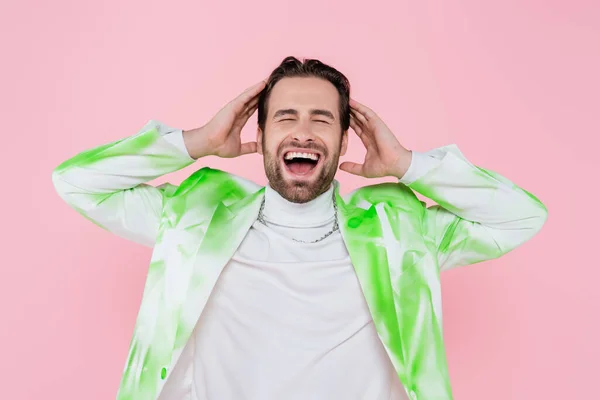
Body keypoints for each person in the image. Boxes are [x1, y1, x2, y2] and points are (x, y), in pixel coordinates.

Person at [52, 56, 547, 400]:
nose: (303, 131)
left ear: (344, 139)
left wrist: (408, 164)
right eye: (285, 117)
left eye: (321, 119)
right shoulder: (193, 218)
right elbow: (77, 182)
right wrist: (196, 141)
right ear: (261, 134)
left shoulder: (400, 232)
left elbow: (521, 215)